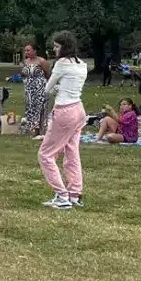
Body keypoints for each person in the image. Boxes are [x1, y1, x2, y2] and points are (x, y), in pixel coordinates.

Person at [38, 31, 88, 209]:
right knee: (72, 152)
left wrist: (56, 87)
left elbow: (47, 89)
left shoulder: (61, 64)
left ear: (64, 47)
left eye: (57, 46)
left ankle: (61, 195)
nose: (54, 49)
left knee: (46, 154)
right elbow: (70, 87)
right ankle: (75, 194)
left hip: (65, 111)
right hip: (79, 110)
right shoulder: (82, 64)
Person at [19, 44, 50, 137]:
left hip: (40, 87)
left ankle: (41, 129)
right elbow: (23, 74)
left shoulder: (42, 61)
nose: (26, 52)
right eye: (25, 50)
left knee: (40, 107)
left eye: (28, 50)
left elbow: (48, 74)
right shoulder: (25, 61)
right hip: (29, 88)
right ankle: (32, 128)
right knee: (30, 107)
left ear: (34, 51)